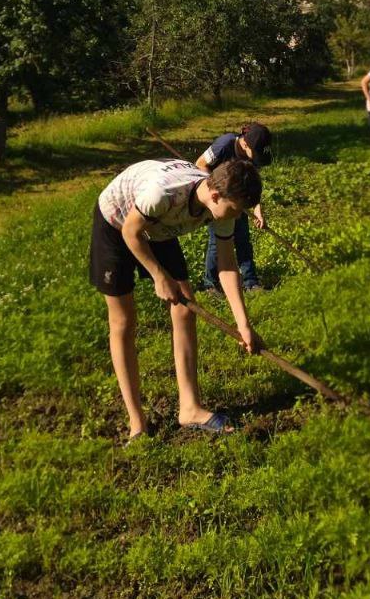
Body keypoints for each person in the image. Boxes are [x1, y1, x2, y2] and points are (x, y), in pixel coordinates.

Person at [89, 156, 262, 442]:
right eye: (234, 210)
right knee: (123, 321)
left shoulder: (219, 205)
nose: (236, 216)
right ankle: (137, 424)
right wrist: (159, 276)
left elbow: (227, 265)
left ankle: (190, 408)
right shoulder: (164, 195)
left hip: (157, 225)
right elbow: (131, 232)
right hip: (117, 220)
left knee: (184, 309)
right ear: (216, 195)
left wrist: (243, 324)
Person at [197, 122, 272, 293]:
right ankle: (210, 284)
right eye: (256, 152)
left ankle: (250, 282)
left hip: (239, 199)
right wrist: (219, 193)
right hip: (219, 201)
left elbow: (252, 185)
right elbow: (200, 164)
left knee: (243, 239)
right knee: (217, 241)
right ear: (245, 143)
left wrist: (257, 209)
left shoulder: (253, 155)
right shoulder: (224, 145)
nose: (257, 158)